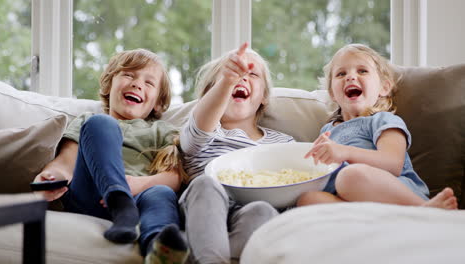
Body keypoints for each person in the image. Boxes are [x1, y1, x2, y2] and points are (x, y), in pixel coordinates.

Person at [32, 49, 189, 264]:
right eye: (129, 75)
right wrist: (50, 176)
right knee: (101, 123)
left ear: (158, 103)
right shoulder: (89, 120)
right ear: (109, 85)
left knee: (161, 192)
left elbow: (174, 177)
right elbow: (66, 163)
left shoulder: (161, 131)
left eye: (149, 83)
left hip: (138, 198)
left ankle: (158, 248)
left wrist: (138, 184)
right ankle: (119, 200)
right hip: (91, 194)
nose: (137, 84)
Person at [297, 43, 457, 210]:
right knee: (307, 199)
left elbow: (393, 163)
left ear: (384, 87)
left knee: (350, 176)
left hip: (391, 190)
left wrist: (344, 152)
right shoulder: (327, 131)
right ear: (332, 93)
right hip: (348, 199)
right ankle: (375, 219)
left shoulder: (382, 120)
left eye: (362, 71)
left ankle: (424, 208)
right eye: (341, 73)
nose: (350, 77)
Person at [179, 42, 294, 263]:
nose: (242, 77)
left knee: (263, 209)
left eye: (252, 74)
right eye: (232, 73)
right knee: (206, 184)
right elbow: (198, 130)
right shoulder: (205, 130)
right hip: (203, 208)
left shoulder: (283, 144)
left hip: (251, 213)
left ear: (264, 97)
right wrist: (227, 80)